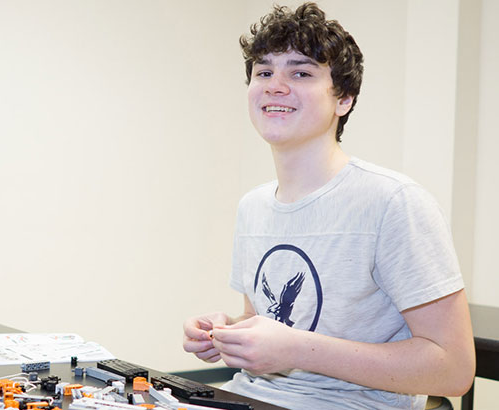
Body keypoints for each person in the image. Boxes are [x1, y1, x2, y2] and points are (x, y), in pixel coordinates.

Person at [182, 3, 476, 410]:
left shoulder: (393, 202)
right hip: (248, 397)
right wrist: (225, 333)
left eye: (300, 72)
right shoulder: (253, 207)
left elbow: (454, 370)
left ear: (345, 99)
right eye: (264, 72)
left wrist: (297, 350)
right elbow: (276, 325)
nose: (274, 85)